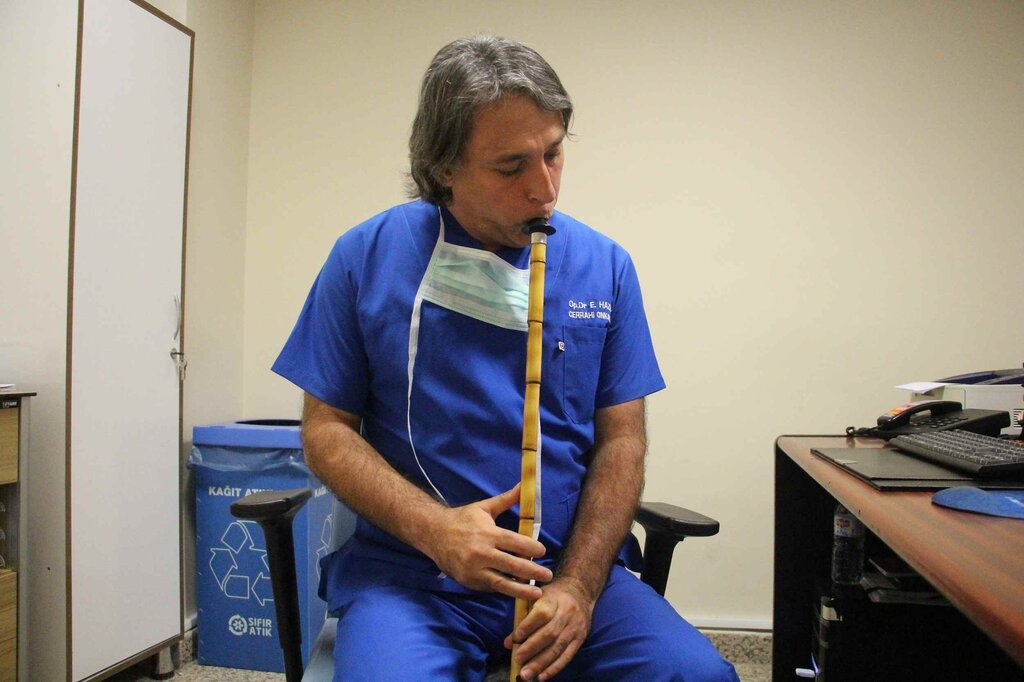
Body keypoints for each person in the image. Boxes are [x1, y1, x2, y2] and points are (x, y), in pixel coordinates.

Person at [273, 34, 738, 682]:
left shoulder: (605, 268)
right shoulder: (364, 259)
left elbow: (622, 441)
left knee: (697, 676)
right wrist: (437, 531)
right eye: (511, 166)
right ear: (444, 168)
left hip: (565, 573)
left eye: (554, 154)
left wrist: (579, 586)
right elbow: (325, 431)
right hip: (417, 577)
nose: (544, 189)